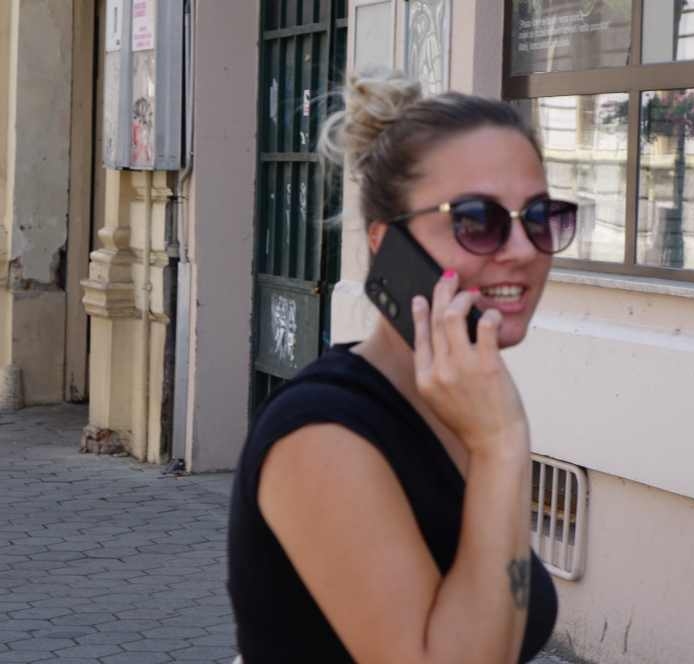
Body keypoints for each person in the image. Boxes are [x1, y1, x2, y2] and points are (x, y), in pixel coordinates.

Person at [227, 69, 579, 663]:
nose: (522, 251)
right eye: (477, 220)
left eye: (540, 217)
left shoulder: (462, 401)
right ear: (385, 243)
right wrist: (500, 447)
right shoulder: (323, 432)